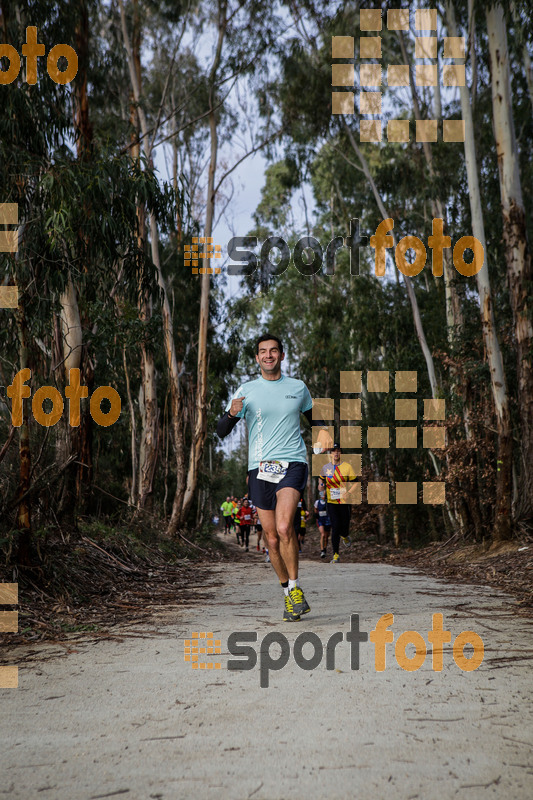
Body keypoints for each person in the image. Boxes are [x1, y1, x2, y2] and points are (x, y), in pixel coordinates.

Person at [216, 333, 332, 621]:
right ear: (257, 358)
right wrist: (231, 414)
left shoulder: (298, 387)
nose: (268, 355)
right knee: (270, 537)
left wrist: (325, 436)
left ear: (282, 355)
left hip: (293, 462)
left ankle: (294, 586)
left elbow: (315, 419)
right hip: (259, 468)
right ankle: (288, 593)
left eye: (274, 351)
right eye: (263, 352)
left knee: (283, 527)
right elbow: (220, 431)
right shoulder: (246, 390)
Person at [320, 443, 357, 563]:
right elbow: (321, 479)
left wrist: (349, 492)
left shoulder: (347, 467)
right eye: (334, 451)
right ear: (330, 454)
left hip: (344, 501)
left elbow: (356, 482)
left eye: (338, 451)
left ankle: (345, 536)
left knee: (344, 527)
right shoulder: (326, 468)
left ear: (341, 453)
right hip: (331, 502)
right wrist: (321, 485)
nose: (336, 453)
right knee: (335, 527)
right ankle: (335, 554)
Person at [314, 478, 331, 559]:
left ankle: (325, 548)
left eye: (324, 494)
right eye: (322, 494)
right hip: (320, 520)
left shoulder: (328, 502)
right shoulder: (317, 502)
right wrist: (316, 516)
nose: (323, 496)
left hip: (327, 519)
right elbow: (315, 510)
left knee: (326, 536)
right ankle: (322, 551)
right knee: (323, 534)